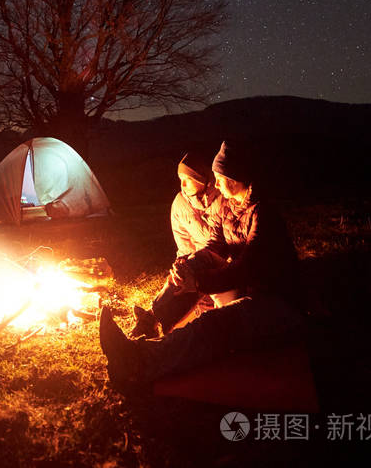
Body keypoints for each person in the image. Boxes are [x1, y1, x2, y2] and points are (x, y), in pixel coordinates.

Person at [99, 139, 304, 388]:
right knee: (198, 265)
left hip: (275, 303)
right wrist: (189, 268)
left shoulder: (264, 216)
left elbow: (247, 269)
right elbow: (215, 246)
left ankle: (138, 362)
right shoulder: (230, 207)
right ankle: (151, 324)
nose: (216, 183)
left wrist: (199, 282)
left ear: (236, 178)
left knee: (211, 326)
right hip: (246, 289)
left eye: (220, 177)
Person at [130, 150, 223, 338]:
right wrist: (180, 266)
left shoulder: (223, 199)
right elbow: (184, 245)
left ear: (203, 179)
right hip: (195, 263)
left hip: (219, 262)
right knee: (183, 273)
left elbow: (226, 244)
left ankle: (153, 319)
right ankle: (152, 322)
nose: (182, 184)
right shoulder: (180, 204)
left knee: (197, 272)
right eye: (180, 178)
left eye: (187, 179)